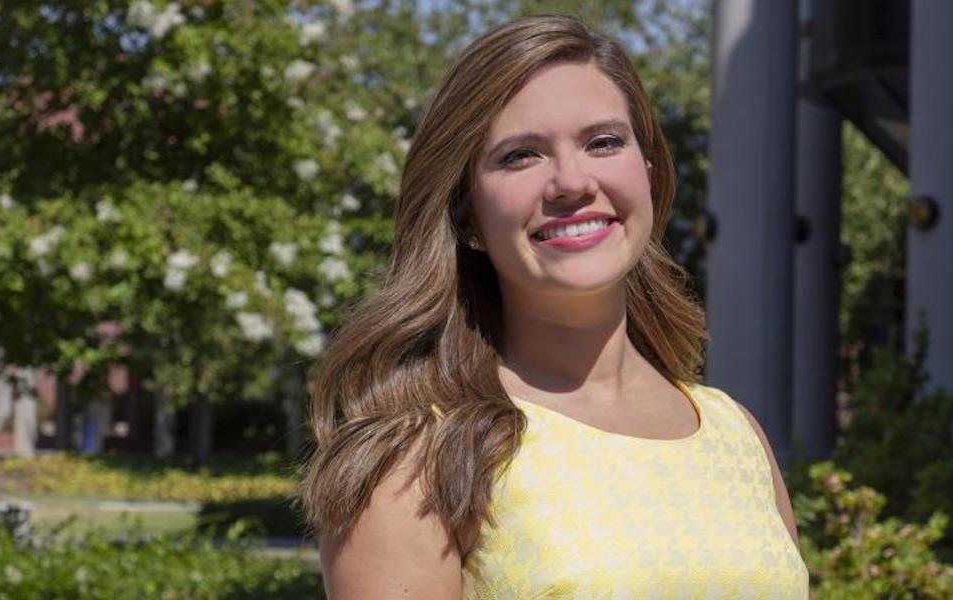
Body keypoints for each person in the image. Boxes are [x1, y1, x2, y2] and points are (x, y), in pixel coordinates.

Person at [300, 14, 810, 599]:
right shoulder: (415, 456)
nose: (571, 181)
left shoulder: (734, 432)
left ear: (647, 174)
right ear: (467, 213)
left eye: (603, 142)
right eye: (521, 155)